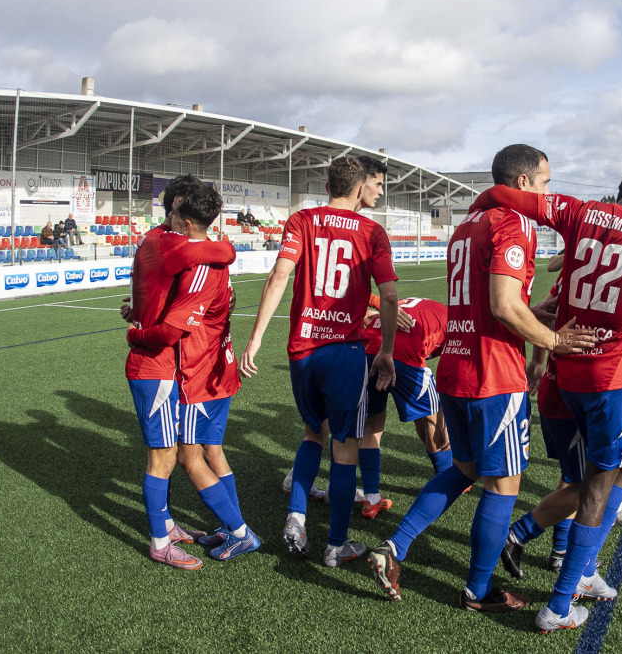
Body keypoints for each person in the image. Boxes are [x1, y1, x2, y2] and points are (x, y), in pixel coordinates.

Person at [367, 144, 596, 615]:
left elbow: (488, 304)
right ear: (524, 183)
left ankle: (395, 547)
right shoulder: (510, 223)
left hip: (453, 365)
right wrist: (552, 341)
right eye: (546, 181)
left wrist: (528, 313)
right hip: (494, 374)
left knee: (466, 469)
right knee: (502, 487)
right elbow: (501, 307)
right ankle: (478, 590)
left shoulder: (466, 226)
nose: (549, 191)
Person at [463, 167, 622, 632]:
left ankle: (554, 554)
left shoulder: (582, 212)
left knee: (592, 474)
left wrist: (480, 203)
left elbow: (508, 194)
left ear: (620, 193)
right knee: (598, 489)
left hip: (564, 371)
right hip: (614, 378)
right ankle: (561, 603)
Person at [239, 155, 400, 568]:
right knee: (345, 450)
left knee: (313, 434)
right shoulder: (372, 231)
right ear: (360, 185)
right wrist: (385, 351)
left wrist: (255, 339)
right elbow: (390, 297)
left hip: (303, 351)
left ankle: (296, 516)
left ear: (328, 186)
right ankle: (336, 545)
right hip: (345, 353)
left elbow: (279, 277)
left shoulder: (302, 220)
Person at [124, 181, 258, 562]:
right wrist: (138, 334)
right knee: (172, 457)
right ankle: (166, 542)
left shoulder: (159, 241)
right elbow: (219, 250)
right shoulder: (177, 246)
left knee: (187, 454)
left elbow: (215, 251)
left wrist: (136, 320)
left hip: (186, 367)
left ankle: (171, 527)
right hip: (169, 366)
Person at [356, 295, 450, 518]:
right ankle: (449, 478)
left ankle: (371, 499)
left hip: (367, 353)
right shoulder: (455, 325)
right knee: (435, 421)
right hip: (403, 356)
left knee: (372, 427)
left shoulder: (405, 305)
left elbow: (368, 317)